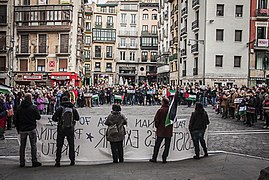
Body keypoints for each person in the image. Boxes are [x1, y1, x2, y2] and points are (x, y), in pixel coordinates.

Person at [15, 93, 42, 167]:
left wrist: (18, 128)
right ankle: (34, 160)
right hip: (31, 128)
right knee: (33, 145)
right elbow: (38, 117)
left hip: (22, 129)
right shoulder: (33, 107)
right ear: (30, 98)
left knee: (22, 146)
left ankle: (22, 162)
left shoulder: (19, 108)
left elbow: (16, 119)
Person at [52, 96, 80, 167]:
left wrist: (59, 120)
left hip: (61, 129)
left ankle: (58, 161)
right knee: (71, 145)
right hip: (70, 129)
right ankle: (72, 160)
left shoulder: (60, 108)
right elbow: (77, 118)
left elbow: (53, 118)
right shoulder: (73, 109)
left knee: (59, 145)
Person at [149, 97, 172, 163]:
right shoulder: (170, 111)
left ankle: (154, 157)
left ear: (163, 102)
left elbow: (156, 120)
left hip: (161, 131)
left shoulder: (160, 110)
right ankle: (164, 158)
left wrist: (157, 126)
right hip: (168, 131)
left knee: (157, 145)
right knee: (167, 146)